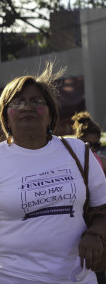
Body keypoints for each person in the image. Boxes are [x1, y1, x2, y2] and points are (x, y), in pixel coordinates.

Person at [0, 64, 106, 284]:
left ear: (51, 113)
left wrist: (96, 234)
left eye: (36, 101)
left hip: (76, 278)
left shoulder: (78, 152)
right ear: (6, 116)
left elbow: (103, 209)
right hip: (8, 278)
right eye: (17, 102)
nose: (27, 107)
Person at [72, 111, 106, 284]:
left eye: (96, 144)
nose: (91, 148)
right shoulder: (69, 162)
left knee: (98, 271)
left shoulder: (102, 161)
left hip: (97, 228)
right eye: (86, 144)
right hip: (76, 231)